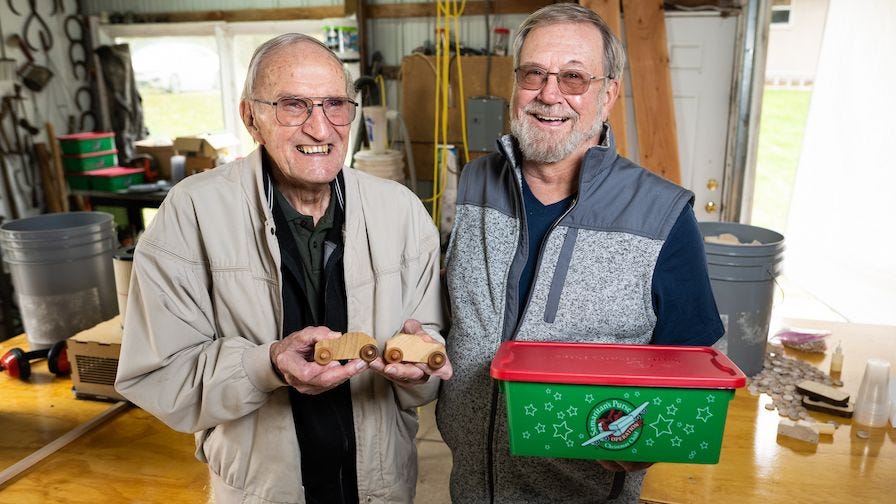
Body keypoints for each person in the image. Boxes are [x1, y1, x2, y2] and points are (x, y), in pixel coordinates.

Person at [115, 33, 451, 504]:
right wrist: (265, 364)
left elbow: (430, 342)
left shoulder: (400, 211)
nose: (321, 128)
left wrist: (420, 363)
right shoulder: (192, 213)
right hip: (260, 490)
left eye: (335, 104)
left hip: (383, 486)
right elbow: (159, 372)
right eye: (294, 105)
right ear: (251, 117)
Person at [436, 4, 724, 503]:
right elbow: (450, 312)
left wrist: (644, 439)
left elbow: (698, 368)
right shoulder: (475, 184)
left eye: (573, 78)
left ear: (608, 94)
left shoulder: (662, 215)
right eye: (534, 74)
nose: (549, 95)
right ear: (515, 84)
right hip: (468, 484)